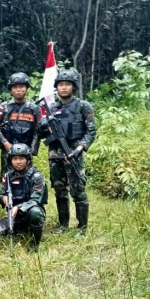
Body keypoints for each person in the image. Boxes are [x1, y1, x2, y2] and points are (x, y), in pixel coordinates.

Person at [39, 71, 96, 236]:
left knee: (78, 190)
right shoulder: (52, 108)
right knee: (59, 190)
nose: (63, 87)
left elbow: (91, 132)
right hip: (55, 156)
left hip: (74, 154)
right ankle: (63, 224)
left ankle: (82, 228)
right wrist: (45, 126)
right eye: (60, 85)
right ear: (56, 87)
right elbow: (42, 132)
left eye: (67, 84)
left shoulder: (83, 106)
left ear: (73, 87)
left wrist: (79, 150)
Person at [0, 144, 47, 251]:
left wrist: (18, 207)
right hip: (13, 215)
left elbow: (37, 200)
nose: (18, 162)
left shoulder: (36, 176)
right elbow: (1, 194)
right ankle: (20, 229)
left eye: (21, 158)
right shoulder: (8, 176)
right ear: (10, 160)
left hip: (30, 212)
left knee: (36, 213)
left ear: (28, 160)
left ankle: (34, 244)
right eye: (15, 158)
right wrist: (4, 199)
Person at [0, 73, 43, 175]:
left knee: (28, 178)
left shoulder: (34, 108)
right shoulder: (4, 107)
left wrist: (31, 150)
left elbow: (38, 131)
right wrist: (5, 143)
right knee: (7, 178)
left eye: (21, 86)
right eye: (15, 87)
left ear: (26, 88)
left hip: (26, 151)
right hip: (8, 150)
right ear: (11, 89)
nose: (18, 90)